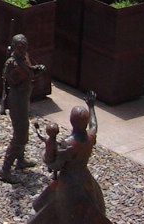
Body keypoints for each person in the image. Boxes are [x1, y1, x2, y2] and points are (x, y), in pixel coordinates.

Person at [29, 92, 112, 223]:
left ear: (72, 122)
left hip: (68, 183)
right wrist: (91, 106)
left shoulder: (67, 144)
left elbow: (55, 165)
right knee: (88, 206)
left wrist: (46, 154)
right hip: (84, 177)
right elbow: (94, 125)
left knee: (64, 211)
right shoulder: (89, 138)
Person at [0, 33, 45, 182]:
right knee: (20, 133)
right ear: (14, 47)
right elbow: (15, 80)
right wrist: (33, 74)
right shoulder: (12, 64)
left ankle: (20, 160)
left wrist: (36, 69)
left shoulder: (24, 58)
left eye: (25, 46)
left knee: (24, 128)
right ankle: (5, 170)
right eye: (20, 47)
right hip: (17, 99)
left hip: (24, 97)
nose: (23, 49)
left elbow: (29, 71)